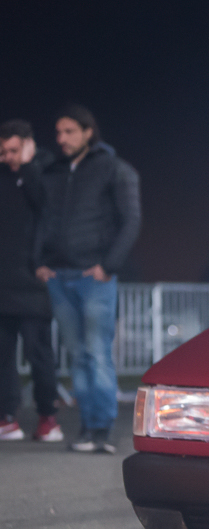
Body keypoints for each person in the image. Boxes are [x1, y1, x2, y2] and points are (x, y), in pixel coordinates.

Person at [33, 105, 141, 454]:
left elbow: (131, 219)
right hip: (58, 276)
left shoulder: (113, 168)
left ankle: (102, 430)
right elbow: (41, 219)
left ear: (87, 132)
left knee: (97, 352)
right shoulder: (54, 172)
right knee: (77, 355)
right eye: (58, 132)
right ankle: (86, 428)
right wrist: (39, 261)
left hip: (94, 278)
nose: (61, 138)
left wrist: (108, 266)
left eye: (69, 131)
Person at [0, 120, 62, 442]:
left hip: (33, 282)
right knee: (2, 356)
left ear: (27, 144)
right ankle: (7, 417)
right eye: (2, 152)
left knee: (39, 355)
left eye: (13, 150)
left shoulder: (47, 170)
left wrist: (28, 167)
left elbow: (48, 208)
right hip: (3, 281)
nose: (7, 157)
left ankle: (48, 419)